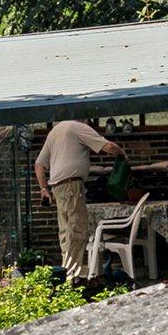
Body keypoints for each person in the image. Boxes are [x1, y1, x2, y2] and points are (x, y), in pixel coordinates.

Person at [36, 118, 121, 281]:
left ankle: (65, 275)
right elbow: (108, 147)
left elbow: (39, 164)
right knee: (77, 230)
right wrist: (122, 153)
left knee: (66, 233)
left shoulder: (55, 131)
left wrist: (43, 189)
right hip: (72, 185)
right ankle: (71, 276)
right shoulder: (79, 127)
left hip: (58, 188)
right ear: (83, 119)